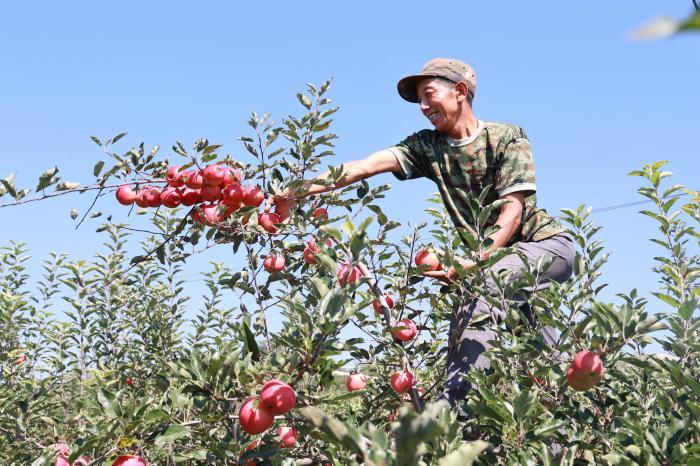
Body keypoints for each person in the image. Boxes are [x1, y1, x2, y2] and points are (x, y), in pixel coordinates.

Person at [269, 58, 575, 416]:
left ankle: (451, 414)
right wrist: (298, 190)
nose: (424, 107)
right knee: (541, 355)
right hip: (496, 262)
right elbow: (363, 166)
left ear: (460, 91)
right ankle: (556, 425)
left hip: (545, 247)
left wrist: (474, 260)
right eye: (419, 101)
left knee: (482, 288)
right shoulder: (427, 147)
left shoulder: (506, 137)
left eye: (429, 95)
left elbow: (512, 211)